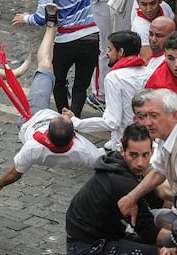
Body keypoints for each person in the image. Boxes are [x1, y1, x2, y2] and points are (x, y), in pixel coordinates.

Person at [0, 4, 105, 199]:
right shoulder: (85, 151)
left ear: (47, 128)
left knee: (46, 67)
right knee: (67, 78)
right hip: (89, 39)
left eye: (60, 117)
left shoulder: (32, 148)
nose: (64, 114)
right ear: (75, 136)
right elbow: (104, 163)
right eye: (66, 116)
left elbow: (14, 173)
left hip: (32, 115)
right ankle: (51, 28)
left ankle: (51, 27)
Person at [66, 123, 177, 255]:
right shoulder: (122, 182)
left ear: (152, 151)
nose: (140, 163)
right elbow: (148, 231)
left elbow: (156, 201)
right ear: (122, 151)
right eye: (133, 155)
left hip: (105, 235)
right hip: (89, 247)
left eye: (145, 155)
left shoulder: (116, 163)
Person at [63, 30, 151, 151]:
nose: (107, 54)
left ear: (121, 52)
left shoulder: (114, 78)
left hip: (126, 144)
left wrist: (76, 123)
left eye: (110, 49)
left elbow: (112, 121)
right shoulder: (149, 73)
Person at [11, 0, 100, 118]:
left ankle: (63, 116)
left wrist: (25, 18)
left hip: (66, 41)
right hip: (91, 37)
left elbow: (41, 18)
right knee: (81, 86)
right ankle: (74, 118)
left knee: (57, 81)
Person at [117, 89, 177, 228]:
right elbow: (158, 171)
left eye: (154, 116)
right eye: (144, 116)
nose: (148, 123)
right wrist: (131, 197)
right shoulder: (164, 137)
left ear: (174, 116)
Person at [131, 0, 175, 64]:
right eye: (144, 4)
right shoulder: (140, 28)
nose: (149, 9)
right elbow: (148, 61)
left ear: (160, 1)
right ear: (138, 3)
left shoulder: (165, 7)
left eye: (152, 3)